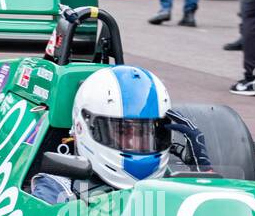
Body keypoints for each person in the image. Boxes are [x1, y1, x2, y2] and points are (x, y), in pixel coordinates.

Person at [31, 65, 174, 203]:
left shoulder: (170, 183)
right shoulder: (56, 189)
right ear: (82, 127)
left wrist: (196, 171)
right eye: (123, 132)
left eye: (145, 133)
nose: (133, 142)